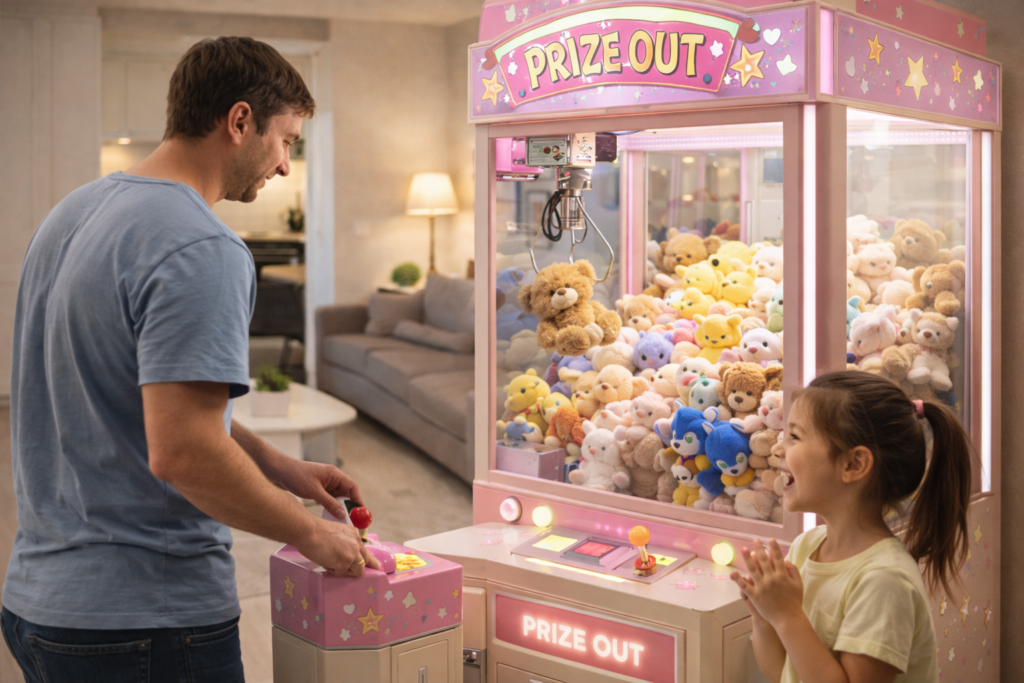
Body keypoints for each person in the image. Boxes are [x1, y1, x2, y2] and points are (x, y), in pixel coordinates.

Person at [2, 37, 378, 683]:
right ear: (239, 121)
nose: (286, 166)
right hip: (145, 620)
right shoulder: (203, 245)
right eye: (286, 139)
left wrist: (280, 465)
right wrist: (314, 535)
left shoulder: (71, 213)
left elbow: (140, 396)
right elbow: (183, 452)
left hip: (39, 604)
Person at [731, 371, 971, 683]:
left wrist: (787, 617)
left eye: (795, 437)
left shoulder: (884, 580)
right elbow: (783, 673)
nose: (778, 449)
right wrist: (765, 618)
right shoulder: (808, 546)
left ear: (853, 464)